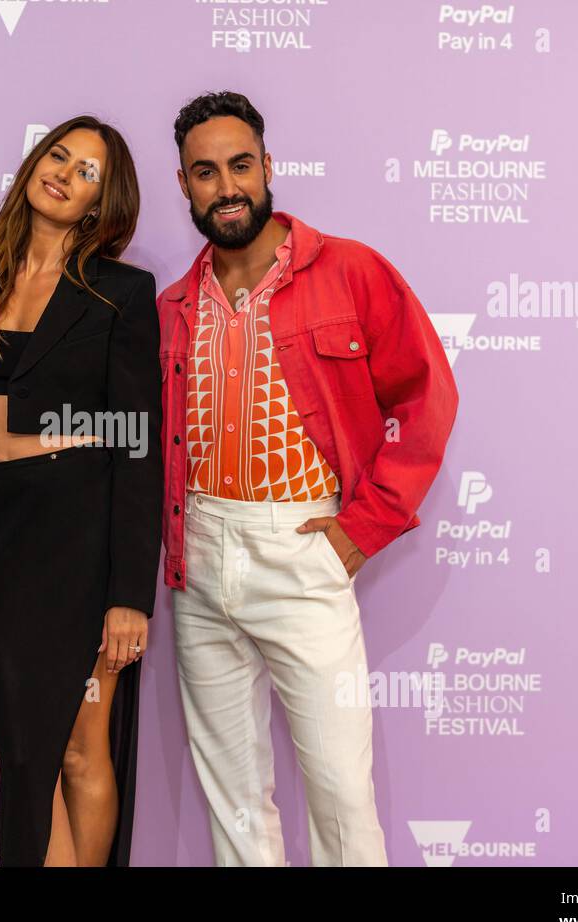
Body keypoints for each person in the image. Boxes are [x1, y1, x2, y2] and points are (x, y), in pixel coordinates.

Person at [157, 91, 459, 866]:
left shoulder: (349, 272)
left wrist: (361, 531)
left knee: (339, 794)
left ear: (267, 168)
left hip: (303, 547)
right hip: (199, 557)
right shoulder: (174, 307)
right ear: (184, 185)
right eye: (205, 172)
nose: (226, 187)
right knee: (234, 797)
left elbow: (428, 398)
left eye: (240, 166)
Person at [0, 116, 162, 866]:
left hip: (75, 535)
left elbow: (135, 443)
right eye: (58, 155)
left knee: (80, 743)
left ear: (104, 206)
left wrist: (130, 592)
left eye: (89, 172)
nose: (66, 173)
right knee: (24, 756)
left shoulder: (122, 294)